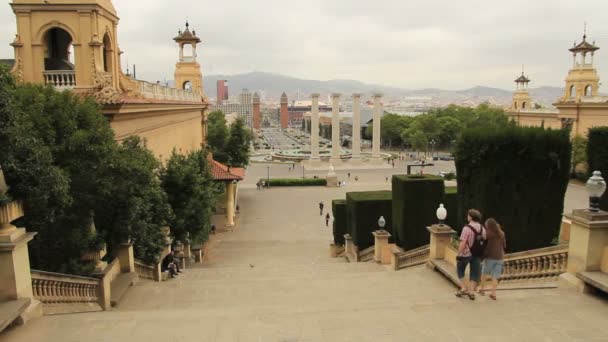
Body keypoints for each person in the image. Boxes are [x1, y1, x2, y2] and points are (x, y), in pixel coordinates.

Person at [455, 209, 486, 300]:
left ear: (471, 217)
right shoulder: (482, 228)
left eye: (468, 215)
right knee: (475, 273)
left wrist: (459, 253)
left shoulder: (466, 228)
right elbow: (484, 241)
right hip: (477, 254)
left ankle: (463, 287)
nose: (467, 216)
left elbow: (463, 242)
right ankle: (471, 292)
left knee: (460, 269)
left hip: (466, 254)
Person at [478, 218, 506, 300]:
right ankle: (493, 293)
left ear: (489, 226)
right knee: (495, 276)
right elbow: (504, 245)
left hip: (490, 257)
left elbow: (481, 240)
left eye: (486, 225)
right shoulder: (502, 233)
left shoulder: (488, 234)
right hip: (499, 257)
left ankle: (482, 289)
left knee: (484, 273)